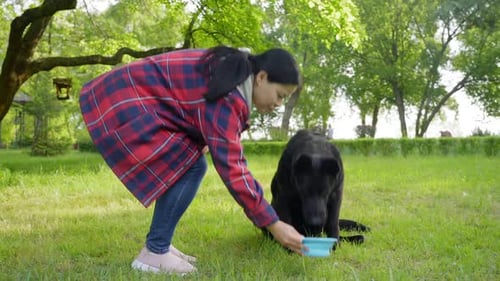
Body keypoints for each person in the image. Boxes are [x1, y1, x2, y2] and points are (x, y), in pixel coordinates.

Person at [79, 46, 305, 274]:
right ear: (262, 77)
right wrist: (273, 224)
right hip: (123, 99)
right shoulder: (229, 95)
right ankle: (155, 251)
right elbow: (233, 169)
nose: (278, 104)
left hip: (124, 94)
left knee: (192, 163)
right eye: (279, 95)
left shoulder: (230, 70)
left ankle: (159, 245)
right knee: (192, 167)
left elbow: (191, 103)